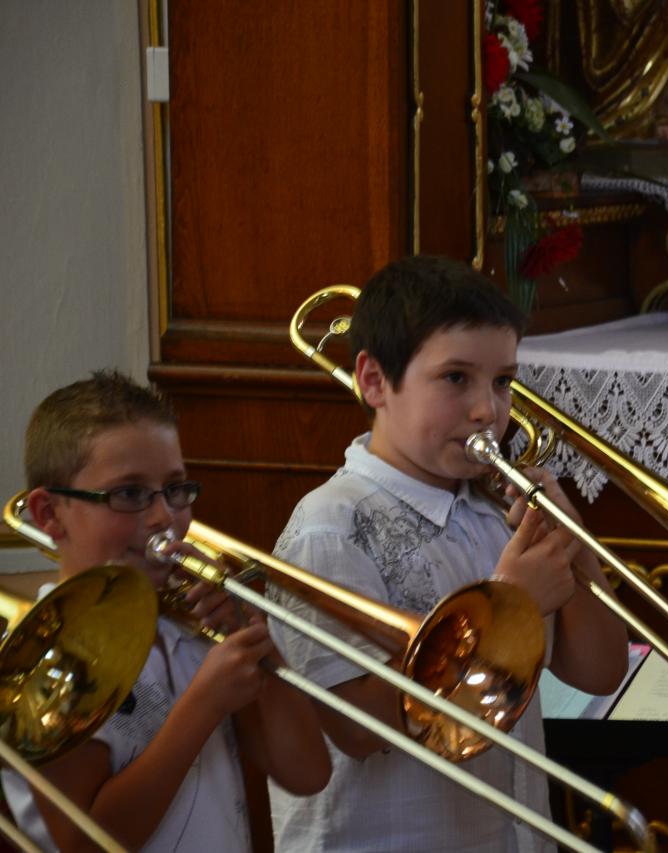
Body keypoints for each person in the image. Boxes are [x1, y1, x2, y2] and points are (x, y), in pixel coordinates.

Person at [268, 255, 630, 852]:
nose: (488, 409)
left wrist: (572, 541)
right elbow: (354, 730)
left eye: (502, 381)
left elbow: (599, 671)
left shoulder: (494, 512)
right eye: (456, 378)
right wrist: (507, 605)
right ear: (374, 381)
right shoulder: (329, 530)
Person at [3, 370, 331, 852]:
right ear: (49, 514)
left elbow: (307, 773)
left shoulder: (194, 629)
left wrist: (253, 640)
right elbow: (86, 843)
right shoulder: (44, 659)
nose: (163, 518)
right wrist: (205, 703)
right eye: (129, 494)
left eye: (175, 489)